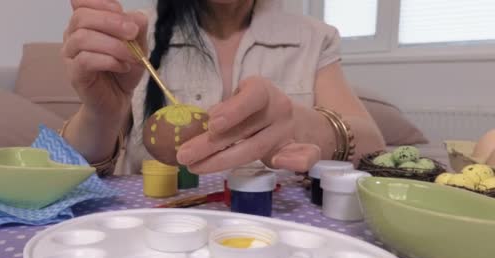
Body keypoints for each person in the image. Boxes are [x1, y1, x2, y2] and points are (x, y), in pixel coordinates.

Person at [60, 0, 385, 176]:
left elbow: (373, 147)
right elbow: (63, 171)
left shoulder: (315, 37)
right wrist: (101, 114)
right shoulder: (135, 37)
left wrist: (303, 126)